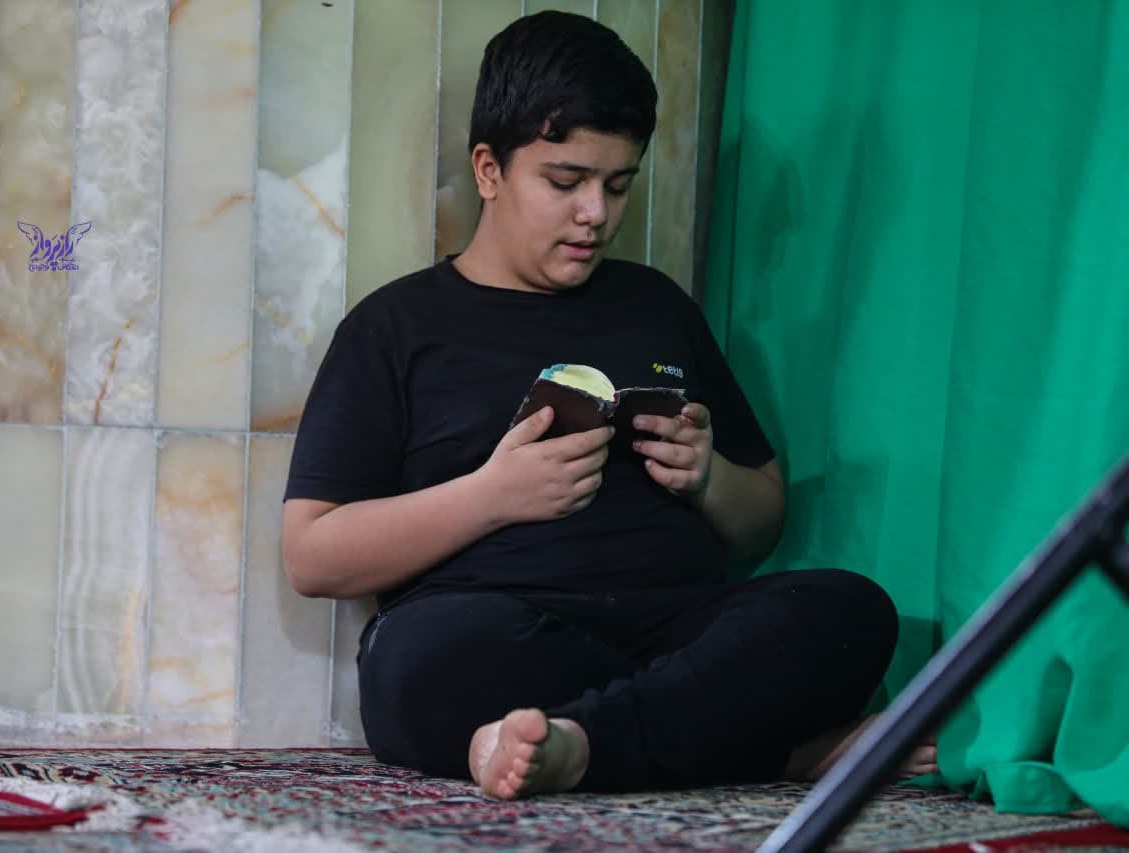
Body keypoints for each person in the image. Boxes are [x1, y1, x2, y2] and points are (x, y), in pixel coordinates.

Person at [282, 10, 937, 799]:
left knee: (851, 610)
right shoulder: (395, 327)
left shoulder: (655, 306)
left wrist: (709, 478)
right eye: (565, 183)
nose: (595, 213)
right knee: (412, 661)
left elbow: (761, 515)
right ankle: (771, 749)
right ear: (489, 170)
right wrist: (490, 497)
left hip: (676, 628)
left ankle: (580, 745)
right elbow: (311, 552)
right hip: (501, 630)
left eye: (618, 184)